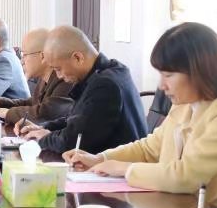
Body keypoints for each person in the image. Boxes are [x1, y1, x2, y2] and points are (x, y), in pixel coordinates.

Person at [64, 22, 217, 204]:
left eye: (168, 75)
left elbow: (185, 176)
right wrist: (100, 159)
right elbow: (148, 149)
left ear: (199, 71)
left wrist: (124, 168)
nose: (161, 85)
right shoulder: (184, 105)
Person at [19, 25, 146, 153]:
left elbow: (74, 141)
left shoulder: (105, 85)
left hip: (118, 164)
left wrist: (44, 138)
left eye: (58, 69)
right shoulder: (105, 72)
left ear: (78, 58)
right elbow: (77, 120)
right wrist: (43, 128)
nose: (59, 76)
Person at [0, 28, 73, 126]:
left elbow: (45, 114)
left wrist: (8, 113)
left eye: (25, 55)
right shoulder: (44, 79)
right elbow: (30, 103)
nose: (22, 61)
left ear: (43, 56)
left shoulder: (64, 79)